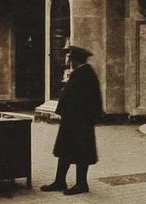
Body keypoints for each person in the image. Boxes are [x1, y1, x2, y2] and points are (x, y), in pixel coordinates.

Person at [41, 46, 102, 196]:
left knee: (81, 152)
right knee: (65, 151)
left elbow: (89, 100)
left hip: (80, 122)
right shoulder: (81, 73)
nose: (68, 61)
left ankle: (82, 184)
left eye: (70, 59)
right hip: (72, 121)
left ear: (75, 60)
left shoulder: (85, 74)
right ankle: (60, 181)